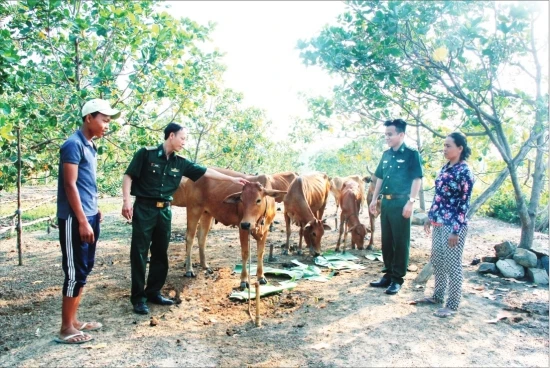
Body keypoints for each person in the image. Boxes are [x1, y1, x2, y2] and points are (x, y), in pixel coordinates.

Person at [121, 123, 249, 315]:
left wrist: (232, 180)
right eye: (182, 138)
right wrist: (126, 202)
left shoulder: (180, 162)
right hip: (144, 208)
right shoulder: (145, 154)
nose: (184, 142)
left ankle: (154, 292)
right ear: (171, 136)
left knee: (160, 252)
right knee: (139, 253)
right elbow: (128, 176)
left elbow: (206, 171)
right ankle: (138, 298)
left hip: (164, 210)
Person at [55, 99, 120, 344]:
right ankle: (65, 329)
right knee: (74, 272)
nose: (107, 125)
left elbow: (85, 184)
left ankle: (74, 321)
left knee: (84, 270)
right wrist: (82, 220)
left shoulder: (90, 145)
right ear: (88, 118)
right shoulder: (73, 145)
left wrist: (94, 209)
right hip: (75, 218)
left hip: (89, 214)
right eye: (104, 120)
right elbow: (69, 185)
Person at [412, 132, 474, 317]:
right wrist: (430, 218)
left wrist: (456, 230)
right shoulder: (445, 169)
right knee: (438, 261)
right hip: (439, 222)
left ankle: (452, 305)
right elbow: (438, 197)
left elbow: (464, 203)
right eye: (444, 145)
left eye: (448, 146)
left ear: (460, 148)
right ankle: (437, 296)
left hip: (454, 226)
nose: (444, 149)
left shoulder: (465, 172)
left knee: (452, 264)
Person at [368, 119, 423, 295]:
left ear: (401, 134)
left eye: (390, 134)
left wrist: (411, 201)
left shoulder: (411, 154)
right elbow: (380, 178)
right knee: (387, 240)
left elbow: (417, 179)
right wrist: (374, 199)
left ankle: (398, 279)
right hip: (387, 202)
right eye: (385, 134)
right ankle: (388, 274)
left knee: (400, 241)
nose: (387, 137)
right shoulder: (386, 155)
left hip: (402, 202)